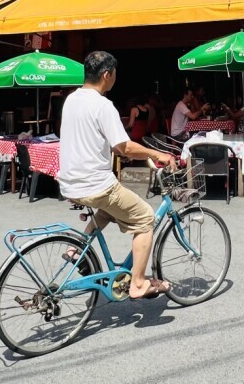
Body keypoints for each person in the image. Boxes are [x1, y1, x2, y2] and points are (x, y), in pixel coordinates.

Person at [58, 51, 176, 300]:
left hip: (70, 182)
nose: (115, 78)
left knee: (107, 211)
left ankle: (74, 250)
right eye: (114, 74)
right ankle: (139, 284)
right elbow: (123, 147)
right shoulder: (102, 105)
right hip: (95, 184)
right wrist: (157, 154)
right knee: (145, 218)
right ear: (106, 75)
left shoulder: (71, 99)